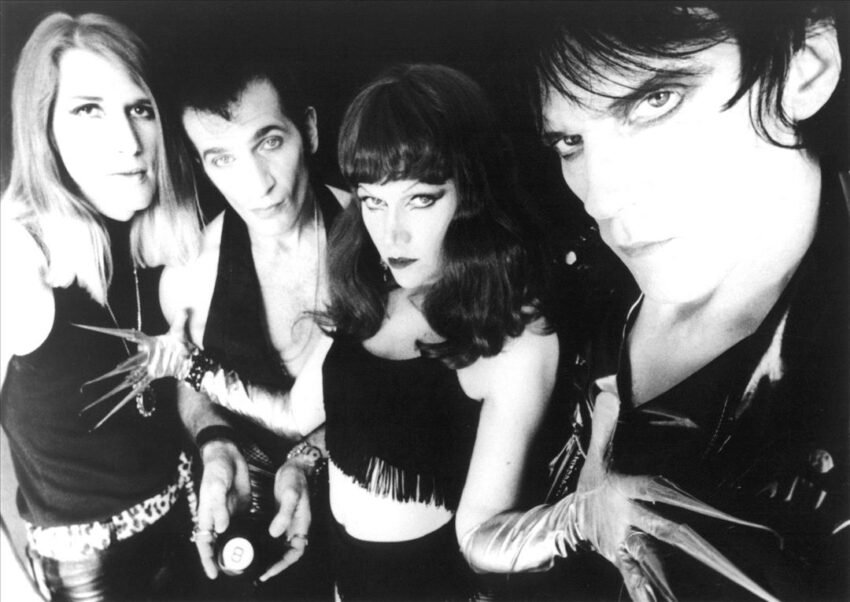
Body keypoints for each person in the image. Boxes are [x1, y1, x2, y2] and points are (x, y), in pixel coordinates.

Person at [460, 3, 849, 601]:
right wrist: (569, 521)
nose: (601, 197)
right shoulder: (582, 274)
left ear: (805, 66)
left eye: (656, 100)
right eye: (569, 141)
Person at [0, 12, 204, 601]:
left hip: (190, 528)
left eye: (139, 109)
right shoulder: (17, 253)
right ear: (44, 130)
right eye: (88, 109)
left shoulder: (157, 230)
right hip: (90, 576)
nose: (129, 142)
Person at [158, 50, 348, 597]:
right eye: (222, 159)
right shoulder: (190, 273)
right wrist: (214, 442)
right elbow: (188, 383)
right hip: (259, 529)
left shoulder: (382, 235)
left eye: (269, 142)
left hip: (376, 519)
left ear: (308, 130)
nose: (256, 184)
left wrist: (310, 457)